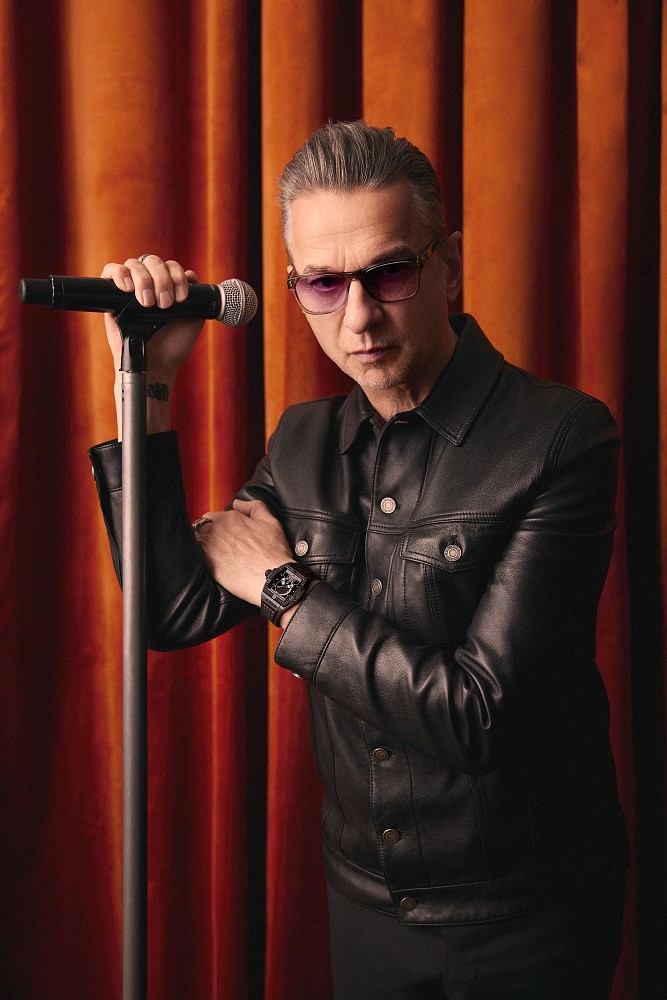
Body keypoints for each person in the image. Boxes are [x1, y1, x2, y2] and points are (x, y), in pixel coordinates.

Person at [90, 121, 628, 999]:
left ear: (449, 266)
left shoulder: (562, 438)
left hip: (524, 914)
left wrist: (282, 589)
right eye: (323, 284)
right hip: (365, 905)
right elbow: (171, 612)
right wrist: (147, 382)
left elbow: (478, 717)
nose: (359, 317)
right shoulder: (302, 441)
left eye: (389, 273)